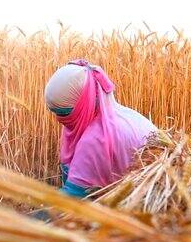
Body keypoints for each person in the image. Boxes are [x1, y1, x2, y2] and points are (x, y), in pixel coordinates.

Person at [44, 59, 157, 198]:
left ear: (85, 105)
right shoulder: (131, 116)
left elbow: (73, 200)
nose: (58, 119)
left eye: (64, 113)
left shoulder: (97, 138)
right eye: (54, 112)